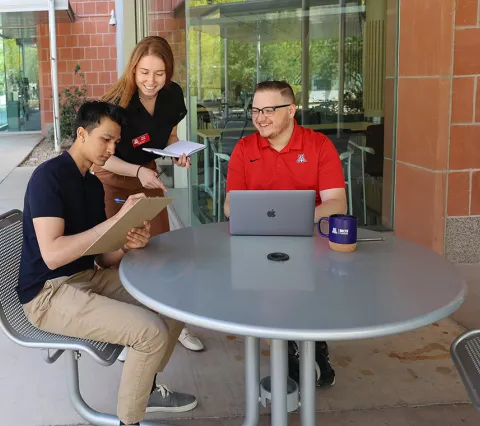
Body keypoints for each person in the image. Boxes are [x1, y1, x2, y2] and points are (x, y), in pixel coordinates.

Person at [17, 101, 198, 425]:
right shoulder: (49, 177)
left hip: (86, 277)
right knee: (150, 332)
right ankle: (130, 420)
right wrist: (112, 224)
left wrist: (127, 243)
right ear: (82, 134)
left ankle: (146, 386)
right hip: (47, 294)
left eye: (116, 141)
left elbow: (100, 256)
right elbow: (53, 254)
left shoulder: (91, 183)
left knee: (177, 298)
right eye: (106, 139)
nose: (112, 148)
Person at [224, 80, 348, 387]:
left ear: (291, 110)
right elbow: (230, 207)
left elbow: (336, 202)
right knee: (264, 296)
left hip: (310, 240)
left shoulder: (318, 145)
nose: (260, 117)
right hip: (258, 242)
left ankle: (311, 342)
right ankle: (288, 347)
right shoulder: (244, 149)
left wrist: (298, 219)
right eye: (255, 110)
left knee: (308, 290)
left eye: (268, 109)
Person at [93, 35, 204, 353]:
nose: (151, 81)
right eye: (144, 72)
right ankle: (128, 330)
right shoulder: (117, 104)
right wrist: (138, 171)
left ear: (168, 72)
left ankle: (171, 322)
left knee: (160, 248)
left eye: (159, 73)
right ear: (133, 69)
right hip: (114, 177)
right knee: (119, 250)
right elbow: (103, 155)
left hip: (148, 173)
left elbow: (169, 135)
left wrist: (177, 152)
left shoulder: (172, 95)